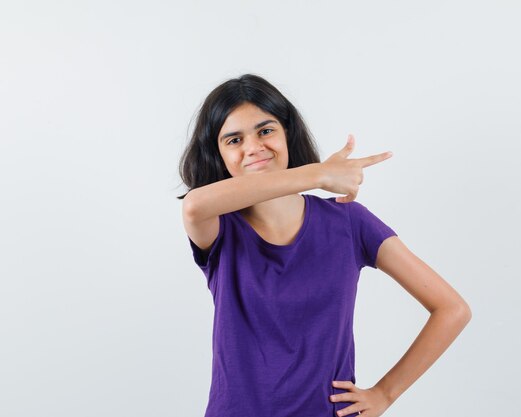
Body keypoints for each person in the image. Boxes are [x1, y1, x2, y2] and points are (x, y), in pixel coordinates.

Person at [177, 74, 472, 417]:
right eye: (233, 139)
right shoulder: (218, 227)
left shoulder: (349, 222)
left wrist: (385, 394)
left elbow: (452, 310)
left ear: (287, 133)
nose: (254, 147)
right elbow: (194, 205)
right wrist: (318, 174)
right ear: (219, 155)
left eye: (266, 130)